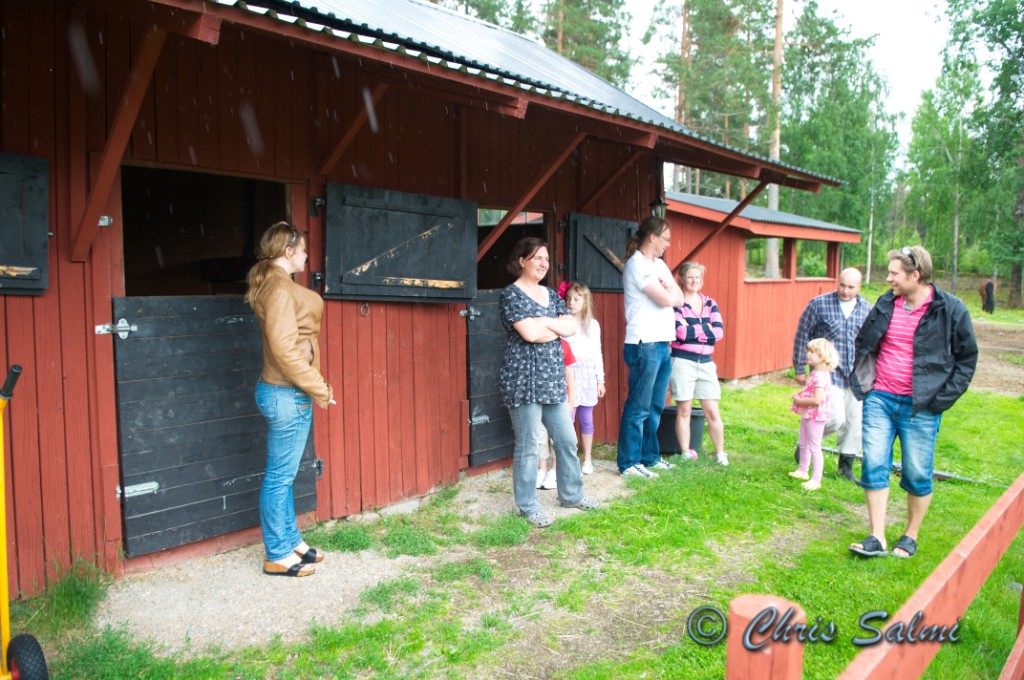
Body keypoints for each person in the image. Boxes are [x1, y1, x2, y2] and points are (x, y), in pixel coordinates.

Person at [848, 246, 978, 559]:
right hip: (880, 398)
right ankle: (877, 535)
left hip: (921, 406)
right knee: (874, 463)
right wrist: (867, 384)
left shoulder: (950, 309)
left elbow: (967, 359)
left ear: (915, 276)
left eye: (894, 273)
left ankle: (910, 535)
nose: (888, 278)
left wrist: (939, 400)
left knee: (918, 472)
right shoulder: (886, 303)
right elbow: (865, 341)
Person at [245, 222, 334, 577]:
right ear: (288, 252)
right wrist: (319, 386)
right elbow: (284, 349)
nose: (307, 255)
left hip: (286, 391)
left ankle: (290, 540)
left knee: (284, 475)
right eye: (303, 250)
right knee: (279, 478)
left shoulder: (275, 284)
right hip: (287, 392)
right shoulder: (280, 289)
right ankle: (277, 553)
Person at [499, 237, 599, 528]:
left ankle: (571, 495)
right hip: (524, 380)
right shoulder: (511, 295)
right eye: (537, 258)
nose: (543, 264)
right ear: (522, 261)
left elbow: (571, 327)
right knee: (529, 445)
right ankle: (528, 506)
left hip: (553, 380)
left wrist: (542, 323)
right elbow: (529, 334)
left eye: (546, 258)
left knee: (566, 440)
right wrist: (553, 326)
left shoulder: (552, 295)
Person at [617, 216, 685, 478]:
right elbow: (666, 299)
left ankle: (649, 457)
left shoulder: (659, 264)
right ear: (653, 237)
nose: (668, 244)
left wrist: (671, 292)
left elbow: (679, 297)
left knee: (655, 405)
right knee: (639, 406)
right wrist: (669, 293)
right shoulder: (637, 264)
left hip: (662, 341)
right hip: (644, 343)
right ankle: (629, 462)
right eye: (665, 239)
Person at [792, 267, 872, 481]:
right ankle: (806, 443)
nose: (845, 290)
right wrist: (799, 367)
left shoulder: (867, 310)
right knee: (835, 418)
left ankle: (845, 467)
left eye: (851, 287)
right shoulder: (819, 304)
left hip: (856, 375)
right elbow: (802, 334)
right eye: (842, 285)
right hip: (828, 374)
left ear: (859, 287)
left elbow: (873, 343)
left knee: (853, 421)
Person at [670, 262, 728, 466]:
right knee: (684, 410)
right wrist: (706, 327)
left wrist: (693, 329)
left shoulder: (710, 303)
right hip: (682, 361)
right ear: (682, 279)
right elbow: (679, 332)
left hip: (706, 363)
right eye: (690, 277)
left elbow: (718, 332)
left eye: (697, 277)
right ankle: (686, 451)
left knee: (712, 411)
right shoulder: (676, 303)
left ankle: (720, 454)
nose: (694, 281)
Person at [564, 282, 606, 475]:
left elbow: (597, 352)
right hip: (569, 375)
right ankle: (569, 459)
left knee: (586, 418)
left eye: (576, 299)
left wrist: (600, 380)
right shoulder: (563, 322)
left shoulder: (592, 325)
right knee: (568, 418)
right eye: (569, 299)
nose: (571, 302)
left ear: (585, 301)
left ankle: (587, 459)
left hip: (587, 374)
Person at [789, 338, 840, 491]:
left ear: (823, 356)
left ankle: (816, 479)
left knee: (814, 447)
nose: (808, 354)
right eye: (808, 351)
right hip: (808, 414)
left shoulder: (820, 376)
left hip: (816, 416)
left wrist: (800, 401)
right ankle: (802, 470)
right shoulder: (815, 373)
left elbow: (817, 400)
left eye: (812, 352)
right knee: (803, 443)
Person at [537, 338, 576, 490]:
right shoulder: (537, 343)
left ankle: (554, 471)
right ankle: (541, 470)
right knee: (540, 435)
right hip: (540, 397)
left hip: (559, 398)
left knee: (557, 437)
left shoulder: (564, 345)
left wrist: (571, 400)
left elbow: (569, 374)